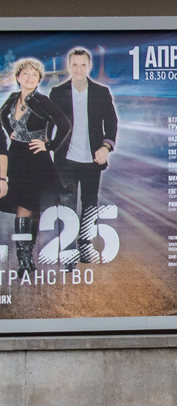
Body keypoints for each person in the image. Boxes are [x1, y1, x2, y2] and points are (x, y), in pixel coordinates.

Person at [0, 58, 71, 274]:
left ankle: (25, 257)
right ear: (18, 78)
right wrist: (10, 131)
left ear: (39, 79)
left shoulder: (41, 100)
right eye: (25, 74)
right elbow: (2, 116)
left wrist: (49, 145)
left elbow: (65, 124)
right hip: (15, 157)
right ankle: (25, 259)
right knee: (25, 207)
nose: (29, 78)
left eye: (34, 75)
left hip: (35, 160)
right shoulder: (12, 98)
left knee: (30, 208)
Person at [50, 48, 118, 264]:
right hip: (65, 160)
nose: (78, 69)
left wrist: (106, 147)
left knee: (89, 204)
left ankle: (85, 245)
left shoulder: (101, 92)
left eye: (83, 65)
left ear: (89, 67)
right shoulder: (57, 93)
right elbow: (46, 123)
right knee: (67, 205)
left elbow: (112, 122)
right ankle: (69, 250)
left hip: (92, 160)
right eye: (74, 65)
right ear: (69, 67)